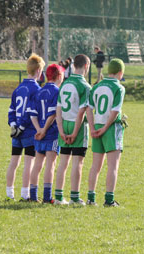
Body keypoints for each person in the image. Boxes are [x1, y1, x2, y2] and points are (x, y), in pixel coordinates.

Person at [86, 59, 126, 207]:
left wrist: (92, 127)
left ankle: (91, 198)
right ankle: (109, 200)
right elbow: (115, 111)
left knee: (95, 166)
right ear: (120, 73)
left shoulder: (96, 86)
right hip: (110, 128)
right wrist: (105, 127)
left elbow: (89, 108)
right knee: (112, 166)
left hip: (96, 126)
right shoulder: (119, 88)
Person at [54, 54, 92, 205]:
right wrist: (75, 132)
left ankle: (58, 197)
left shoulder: (64, 84)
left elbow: (58, 109)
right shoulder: (85, 86)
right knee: (78, 162)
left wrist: (61, 130)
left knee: (63, 162)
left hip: (64, 123)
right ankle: (75, 197)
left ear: (74, 65)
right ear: (86, 66)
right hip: (78, 125)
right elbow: (82, 112)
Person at [6, 53, 43, 201]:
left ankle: (9, 194)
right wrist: (21, 126)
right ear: (39, 71)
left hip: (16, 133)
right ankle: (25, 193)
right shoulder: (37, 89)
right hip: (29, 131)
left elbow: (11, 110)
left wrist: (14, 125)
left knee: (14, 161)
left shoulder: (18, 88)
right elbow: (30, 112)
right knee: (29, 162)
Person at [28, 64, 64, 203]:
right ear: (59, 76)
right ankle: (47, 197)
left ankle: (33, 196)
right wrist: (44, 130)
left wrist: (38, 129)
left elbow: (33, 115)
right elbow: (53, 113)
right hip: (52, 133)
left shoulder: (39, 91)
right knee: (50, 164)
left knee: (37, 164)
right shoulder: (57, 91)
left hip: (38, 135)